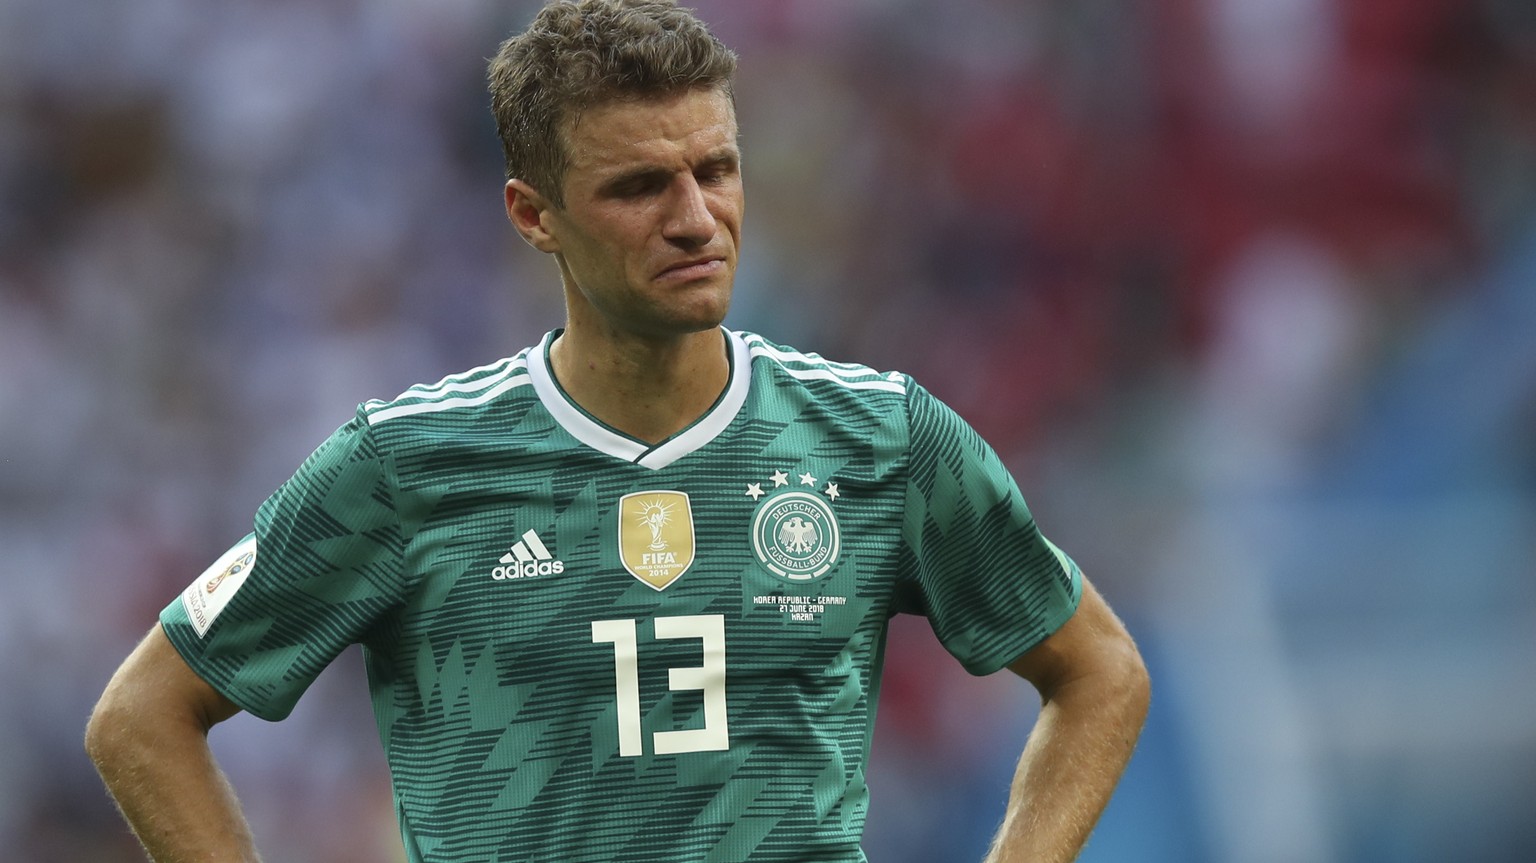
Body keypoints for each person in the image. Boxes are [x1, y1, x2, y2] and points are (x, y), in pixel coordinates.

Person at [84, 1, 1150, 861]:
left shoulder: (879, 437)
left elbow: (1098, 666)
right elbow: (143, 715)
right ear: (531, 213)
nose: (695, 217)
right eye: (639, 185)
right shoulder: (408, 465)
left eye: (717, 170)